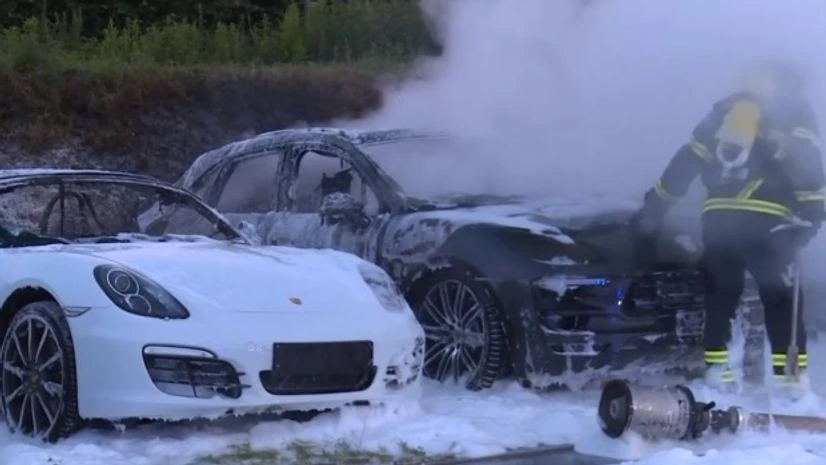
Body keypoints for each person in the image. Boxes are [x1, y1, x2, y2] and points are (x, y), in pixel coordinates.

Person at [632, 61, 825, 392]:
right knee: (780, 298)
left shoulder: (723, 115)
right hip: (771, 224)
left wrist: (653, 210)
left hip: (719, 221)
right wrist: (811, 218)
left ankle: (718, 371)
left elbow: (684, 164)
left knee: (721, 295)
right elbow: (807, 165)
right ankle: (790, 380)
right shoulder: (794, 113)